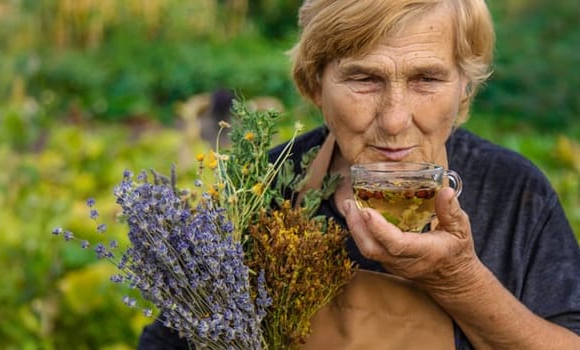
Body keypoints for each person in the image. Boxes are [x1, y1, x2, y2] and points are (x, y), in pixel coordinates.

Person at [138, 0, 580, 348]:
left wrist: (459, 280)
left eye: (426, 78)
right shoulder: (261, 190)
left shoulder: (515, 193)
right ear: (314, 85)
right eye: (364, 80)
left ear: (465, 84)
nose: (393, 120)